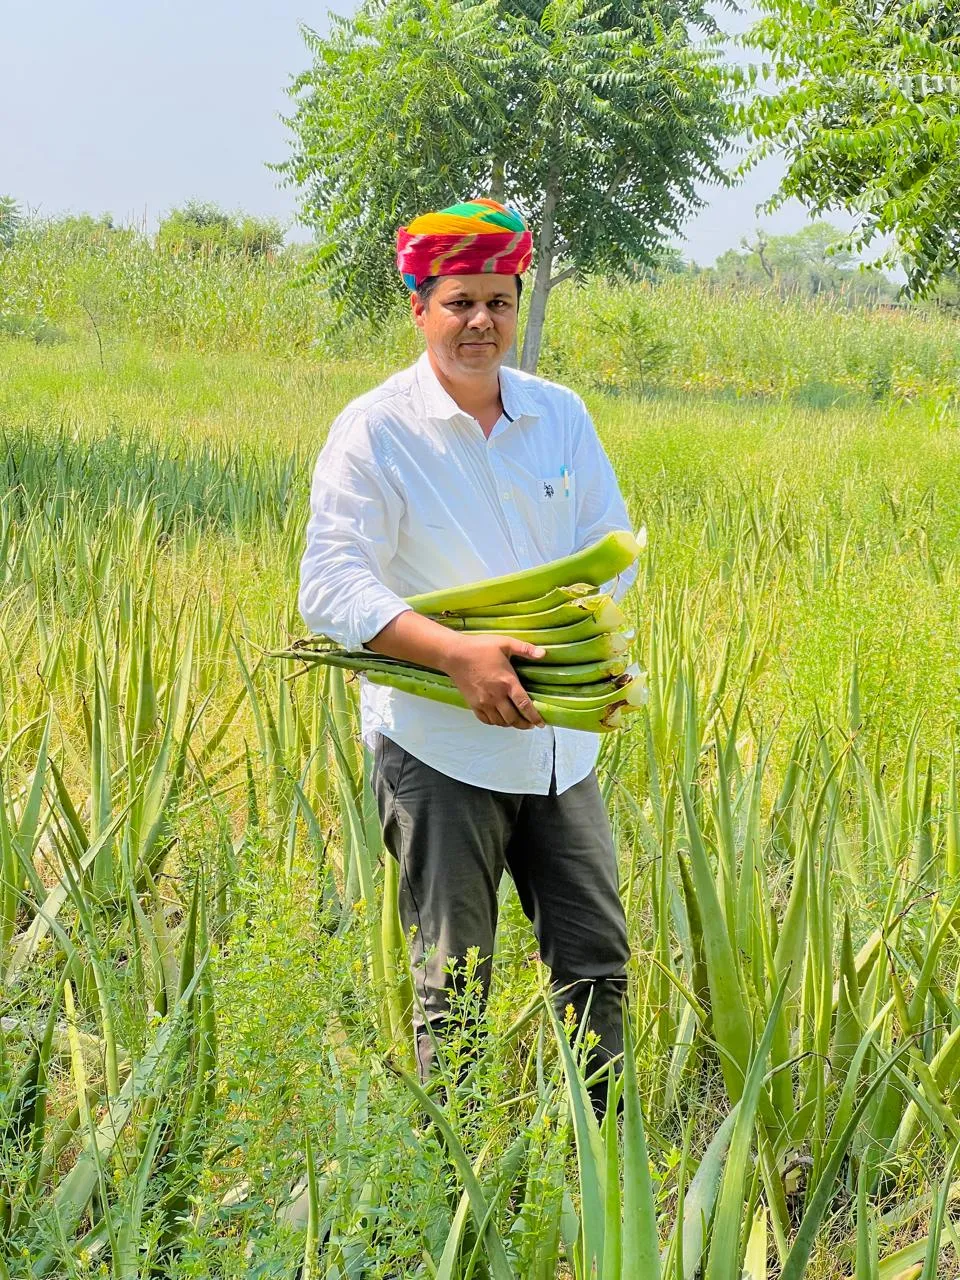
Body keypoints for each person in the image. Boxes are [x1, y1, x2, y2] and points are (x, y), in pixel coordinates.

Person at [299, 198, 634, 1102]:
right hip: (439, 750)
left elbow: (611, 540)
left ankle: (600, 1167)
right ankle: (462, 1194)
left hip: (562, 748)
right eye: (459, 303)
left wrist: (565, 645)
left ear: (517, 305)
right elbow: (329, 583)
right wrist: (455, 652)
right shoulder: (375, 430)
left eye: (498, 300)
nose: (481, 321)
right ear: (419, 309)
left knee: (598, 967)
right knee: (457, 987)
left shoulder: (559, 417)